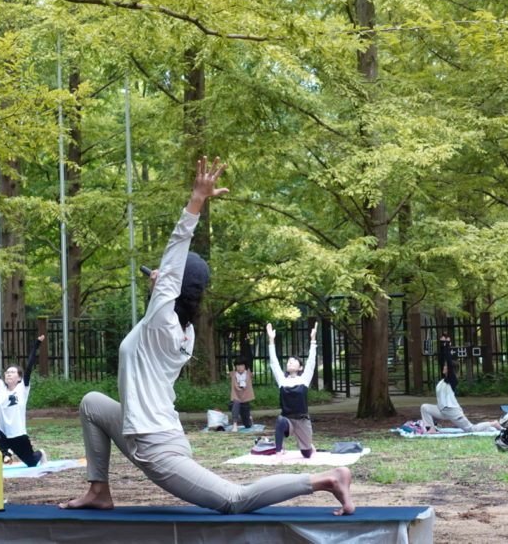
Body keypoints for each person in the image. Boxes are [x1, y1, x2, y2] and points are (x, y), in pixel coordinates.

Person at [60, 156, 355, 516]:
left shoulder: (161, 323)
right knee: (92, 402)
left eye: (162, 275)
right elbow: (170, 285)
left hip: (156, 445)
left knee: (234, 500)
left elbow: (175, 253)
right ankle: (99, 490)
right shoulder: (183, 328)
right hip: (145, 426)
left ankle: (327, 479)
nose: (155, 275)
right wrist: (163, 284)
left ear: (173, 286)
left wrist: (196, 201)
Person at [420, 336, 501, 434]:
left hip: (452, 411)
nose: (444, 366)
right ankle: (431, 429)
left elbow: (449, 362)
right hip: (441, 410)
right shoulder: (443, 380)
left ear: (450, 370)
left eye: (446, 366)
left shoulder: (452, 380)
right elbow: (441, 361)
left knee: (471, 429)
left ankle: (493, 423)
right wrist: (442, 344)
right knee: (425, 407)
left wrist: (447, 346)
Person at [0, 334, 48, 467]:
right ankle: (5, 454)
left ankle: (41, 453)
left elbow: (29, 367)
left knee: (32, 462)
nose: (8, 374)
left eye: (12, 372)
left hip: (18, 435)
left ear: (19, 378)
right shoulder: (1, 389)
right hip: (3, 434)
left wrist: (37, 344)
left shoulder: (22, 388)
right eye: (7, 372)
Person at [266, 322, 317, 456]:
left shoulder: (304, 379)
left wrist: (313, 340)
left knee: (306, 454)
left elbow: (311, 362)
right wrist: (271, 340)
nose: (290, 363)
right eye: (288, 361)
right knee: (280, 420)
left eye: (294, 361)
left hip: (302, 420)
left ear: (300, 367)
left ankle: (308, 445)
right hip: (287, 420)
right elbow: (274, 363)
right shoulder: (282, 381)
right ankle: (278, 451)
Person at [228, 356, 255, 432]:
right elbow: (229, 361)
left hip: (245, 402)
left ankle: (249, 418)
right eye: (238, 365)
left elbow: (250, 359)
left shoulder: (249, 373)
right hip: (236, 399)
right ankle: (234, 425)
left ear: (245, 366)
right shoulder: (233, 374)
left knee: (248, 425)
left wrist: (247, 343)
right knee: (235, 403)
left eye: (242, 365)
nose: (239, 367)